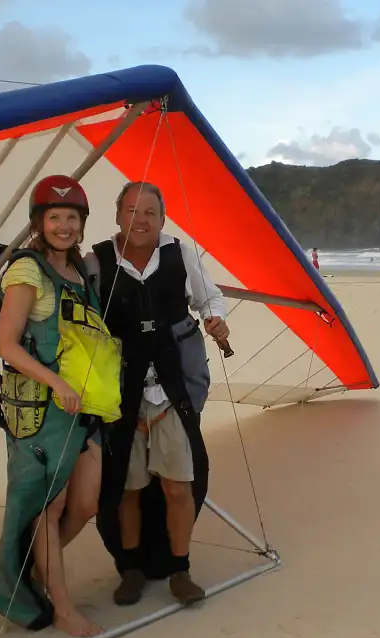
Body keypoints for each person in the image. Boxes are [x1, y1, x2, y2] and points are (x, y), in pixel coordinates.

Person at [0, 174, 123, 638]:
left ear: (81, 224)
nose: (63, 225)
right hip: (43, 411)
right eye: (54, 217)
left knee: (86, 503)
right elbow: (7, 345)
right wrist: (56, 383)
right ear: (39, 221)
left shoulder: (79, 272)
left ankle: (27, 575)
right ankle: (61, 606)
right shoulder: (27, 270)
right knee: (48, 509)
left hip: (83, 408)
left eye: (72, 217)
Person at [85, 180, 230, 607]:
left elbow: (211, 298)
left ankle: (179, 568)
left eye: (150, 211)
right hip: (122, 392)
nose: (141, 219)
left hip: (170, 392)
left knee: (178, 486)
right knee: (127, 488)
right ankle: (130, 568)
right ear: (117, 216)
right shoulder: (97, 261)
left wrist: (215, 319)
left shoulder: (180, 253)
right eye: (131, 210)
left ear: (162, 218)